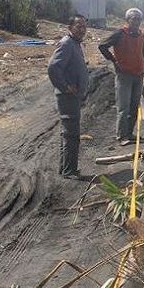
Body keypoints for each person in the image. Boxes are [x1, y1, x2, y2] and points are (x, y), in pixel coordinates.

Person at [47, 14, 90, 180]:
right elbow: (53, 68)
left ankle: (65, 168)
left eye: (84, 26)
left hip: (72, 96)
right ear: (70, 28)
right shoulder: (67, 43)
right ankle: (68, 171)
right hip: (67, 97)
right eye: (78, 26)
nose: (82, 29)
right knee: (71, 134)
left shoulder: (75, 43)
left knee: (68, 133)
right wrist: (65, 87)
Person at [99, 8, 144, 145]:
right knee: (123, 107)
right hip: (124, 75)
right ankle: (121, 136)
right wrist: (114, 60)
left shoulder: (141, 35)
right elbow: (102, 46)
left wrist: (143, 64)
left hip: (138, 75)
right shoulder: (120, 34)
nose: (136, 21)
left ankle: (129, 133)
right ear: (127, 20)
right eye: (133, 18)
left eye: (138, 19)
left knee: (134, 106)